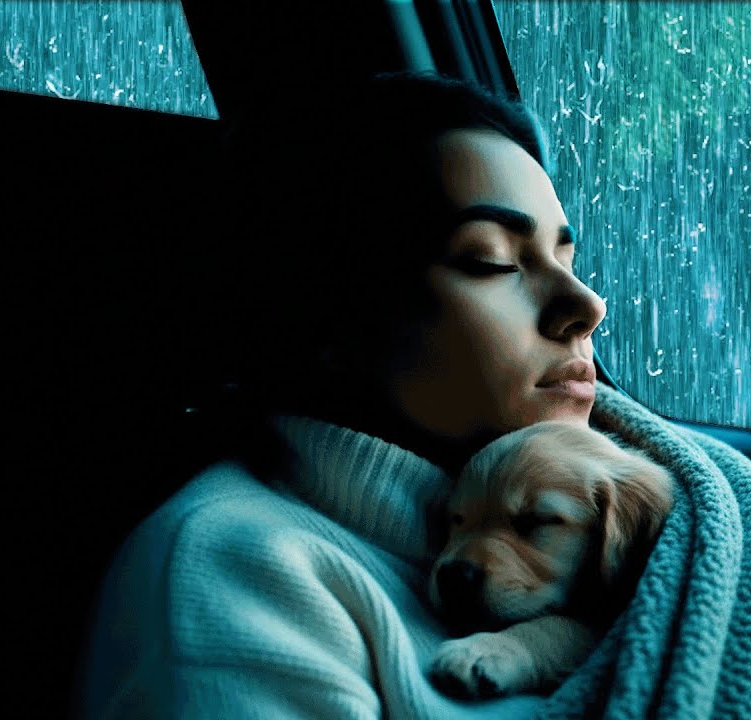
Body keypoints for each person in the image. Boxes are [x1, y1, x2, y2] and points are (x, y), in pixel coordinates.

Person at [80, 72, 607, 719]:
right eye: (493, 260)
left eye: (568, 258)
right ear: (328, 318)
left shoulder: (613, 533)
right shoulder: (230, 581)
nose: (586, 304)